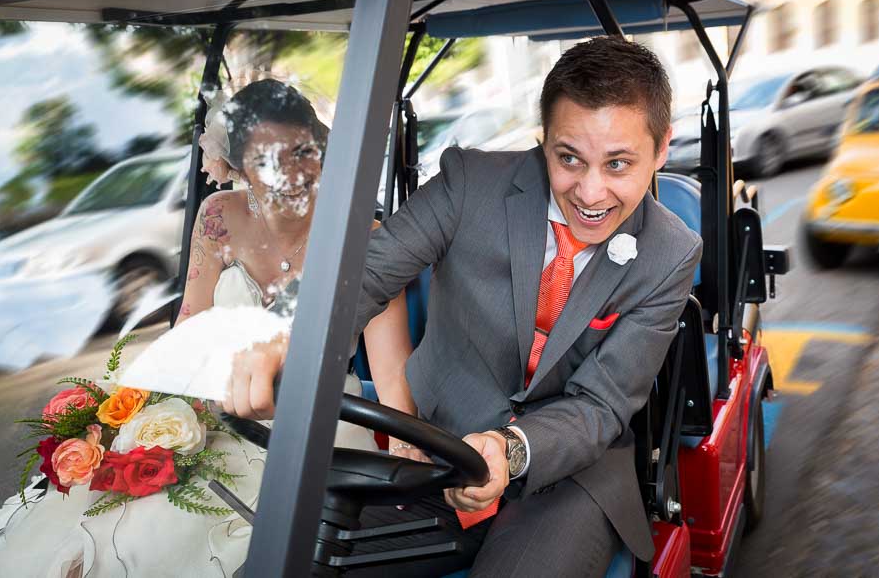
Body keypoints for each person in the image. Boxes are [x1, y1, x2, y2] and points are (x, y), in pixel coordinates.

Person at [230, 37, 703, 576]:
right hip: (436, 450)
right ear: (543, 140)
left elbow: (602, 404)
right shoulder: (468, 183)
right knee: (286, 561)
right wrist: (288, 334)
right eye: (568, 158)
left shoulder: (672, 252)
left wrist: (510, 450)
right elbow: (365, 272)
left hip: (567, 477)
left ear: (662, 147)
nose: (591, 193)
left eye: (618, 164)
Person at [0, 79, 418, 577]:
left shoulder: (367, 237)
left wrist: (407, 458)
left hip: (322, 416)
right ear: (239, 168)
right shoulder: (218, 219)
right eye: (265, 160)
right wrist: (140, 413)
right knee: (137, 515)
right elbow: (189, 327)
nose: (291, 173)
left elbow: (390, 370)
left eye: (302, 151)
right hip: (222, 408)